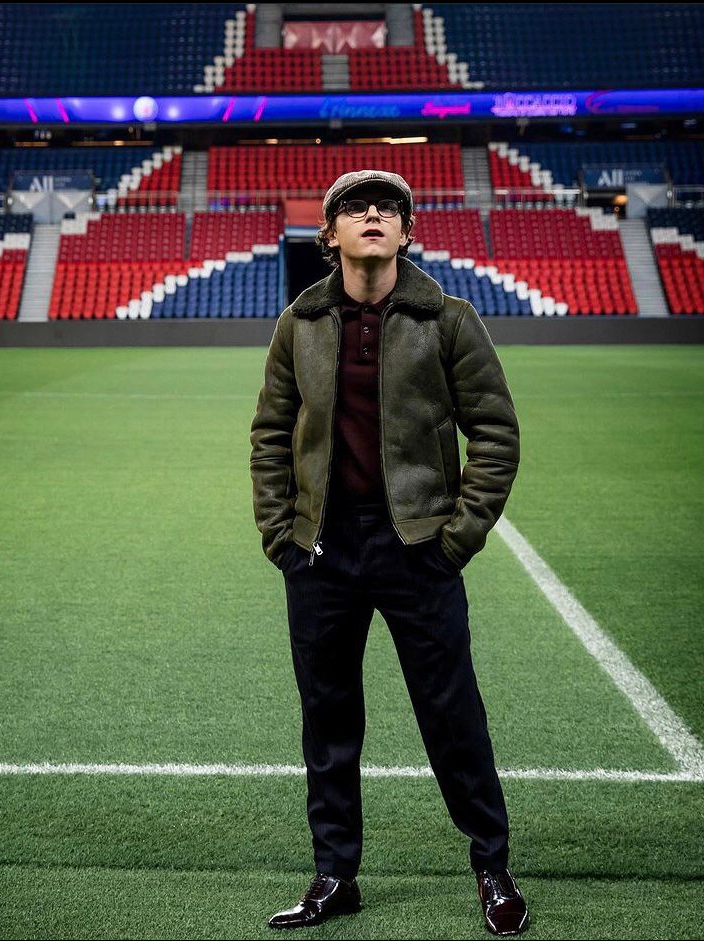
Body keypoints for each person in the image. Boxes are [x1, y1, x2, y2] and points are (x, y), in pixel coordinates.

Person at [250, 169, 529, 935]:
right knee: (329, 717)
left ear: (407, 233)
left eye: (389, 209)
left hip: (418, 549)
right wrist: (281, 534)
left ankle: (493, 869)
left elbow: (497, 435)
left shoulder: (450, 319)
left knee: (452, 713)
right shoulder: (298, 322)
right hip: (321, 552)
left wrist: (455, 539)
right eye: (354, 208)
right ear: (330, 233)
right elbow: (271, 431)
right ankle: (334, 875)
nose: (373, 215)